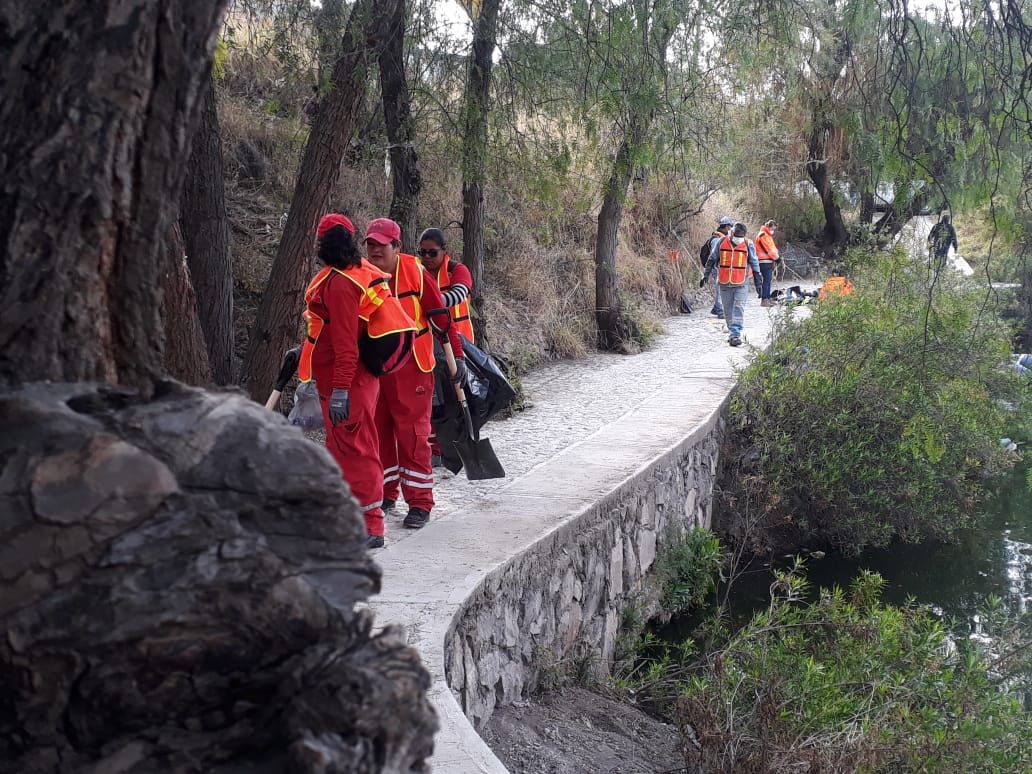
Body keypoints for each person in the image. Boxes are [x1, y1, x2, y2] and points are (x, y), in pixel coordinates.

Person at [299, 213, 417, 550]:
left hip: (349, 383)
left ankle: (371, 527)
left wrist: (340, 390)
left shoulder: (341, 284)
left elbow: (346, 346)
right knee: (345, 450)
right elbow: (330, 331)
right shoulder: (349, 274)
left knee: (358, 452)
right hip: (348, 381)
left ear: (323, 243)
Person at [364, 217, 467, 530]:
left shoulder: (417, 273)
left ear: (397, 246)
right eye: (370, 244)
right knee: (378, 434)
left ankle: (420, 503)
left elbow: (441, 320)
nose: (375, 250)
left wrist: (458, 357)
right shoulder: (361, 275)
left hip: (413, 368)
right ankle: (385, 493)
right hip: (376, 369)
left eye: (382, 245)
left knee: (413, 436)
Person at [701, 221, 762, 347]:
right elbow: (712, 259)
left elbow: (754, 262)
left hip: (741, 282)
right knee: (728, 310)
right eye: (737, 236)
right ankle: (732, 332)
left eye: (741, 236)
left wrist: (758, 281)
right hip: (724, 283)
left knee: (739, 307)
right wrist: (705, 275)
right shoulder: (721, 242)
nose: (739, 238)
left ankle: (735, 334)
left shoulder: (748, 244)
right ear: (732, 233)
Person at [417, 227, 475, 342]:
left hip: (459, 340)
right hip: (427, 340)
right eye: (423, 252)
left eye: (432, 253)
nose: (427, 257)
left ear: (444, 250)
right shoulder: (415, 271)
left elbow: (458, 295)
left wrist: (430, 302)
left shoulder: (458, 270)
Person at [705, 216, 735, 316]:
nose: (731, 229)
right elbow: (715, 255)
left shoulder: (721, 237)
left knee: (722, 287)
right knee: (720, 288)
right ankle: (719, 310)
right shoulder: (717, 239)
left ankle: (717, 307)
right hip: (717, 267)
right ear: (726, 226)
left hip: (721, 267)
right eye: (730, 227)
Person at [754, 219, 781, 307]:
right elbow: (768, 249)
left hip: (768, 261)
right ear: (769, 227)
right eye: (773, 229)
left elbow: (772, 248)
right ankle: (764, 299)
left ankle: (768, 298)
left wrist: (776, 257)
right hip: (763, 261)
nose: (773, 231)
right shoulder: (763, 235)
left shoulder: (767, 235)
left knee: (768, 280)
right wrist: (777, 258)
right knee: (766, 280)